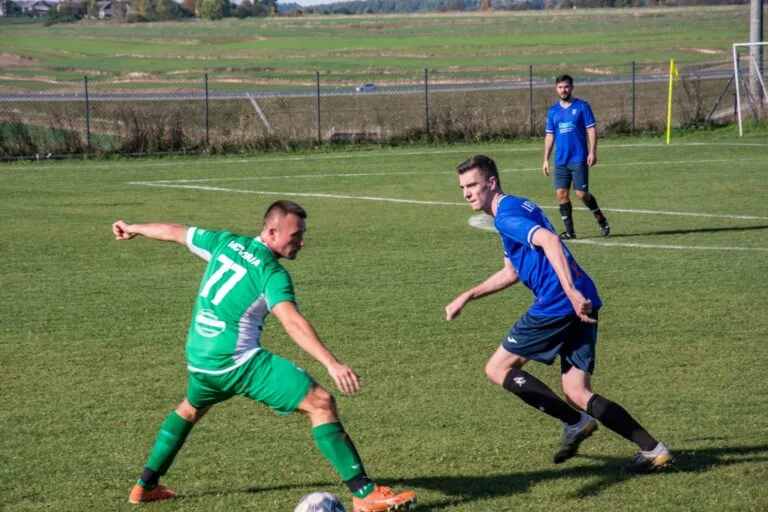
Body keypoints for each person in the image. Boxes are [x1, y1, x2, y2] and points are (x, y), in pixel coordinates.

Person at [114, 200, 415, 512]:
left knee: (190, 410)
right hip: (235, 362)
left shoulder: (225, 242)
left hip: (200, 359)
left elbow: (175, 232)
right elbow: (292, 321)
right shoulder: (271, 273)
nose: (301, 242)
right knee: (320, 402)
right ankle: (365, 493)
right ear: (272, 232)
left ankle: (145, 485)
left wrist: (134, 228)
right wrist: (332, 363)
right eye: (295, 235)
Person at [445, 155, 671, 472]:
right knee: (577, 391)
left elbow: (551, 240)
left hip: (559, 301)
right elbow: (511, 272)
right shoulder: (518, 205)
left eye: (472, 185)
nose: (467, 193)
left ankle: (575, 422)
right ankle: (654, 450)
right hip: (583, 296)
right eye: (462, 188)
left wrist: (568, 291)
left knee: (497, 368)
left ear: (491, 182)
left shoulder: (505, 217)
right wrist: (467, 296)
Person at [542, 74, 610, 239]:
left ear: (572, 87)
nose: (563, 90)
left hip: (579, 158)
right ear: (556, 89)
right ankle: (570, 232)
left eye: (566, 87)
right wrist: (545, 159)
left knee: (581, 194)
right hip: (561, 160)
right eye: (560, 87)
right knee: (561, 194)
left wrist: (592, 151)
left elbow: (591, 129)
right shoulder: (553, 111)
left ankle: (600, 218)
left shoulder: (582, 106)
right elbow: (550, 136)